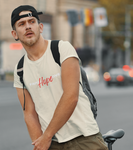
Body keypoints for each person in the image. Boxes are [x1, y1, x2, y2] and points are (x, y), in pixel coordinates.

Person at [11, 5, 108, 150]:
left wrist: (47, 136)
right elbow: (29, 113)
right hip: (52, 143)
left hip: (84, 137)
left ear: (41, 27)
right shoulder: (20, 70)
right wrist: (41, 143)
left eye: (32, 21)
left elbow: (71, 96)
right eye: (22, 24)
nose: (28, 27)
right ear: (15, 34)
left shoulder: (61, 49)